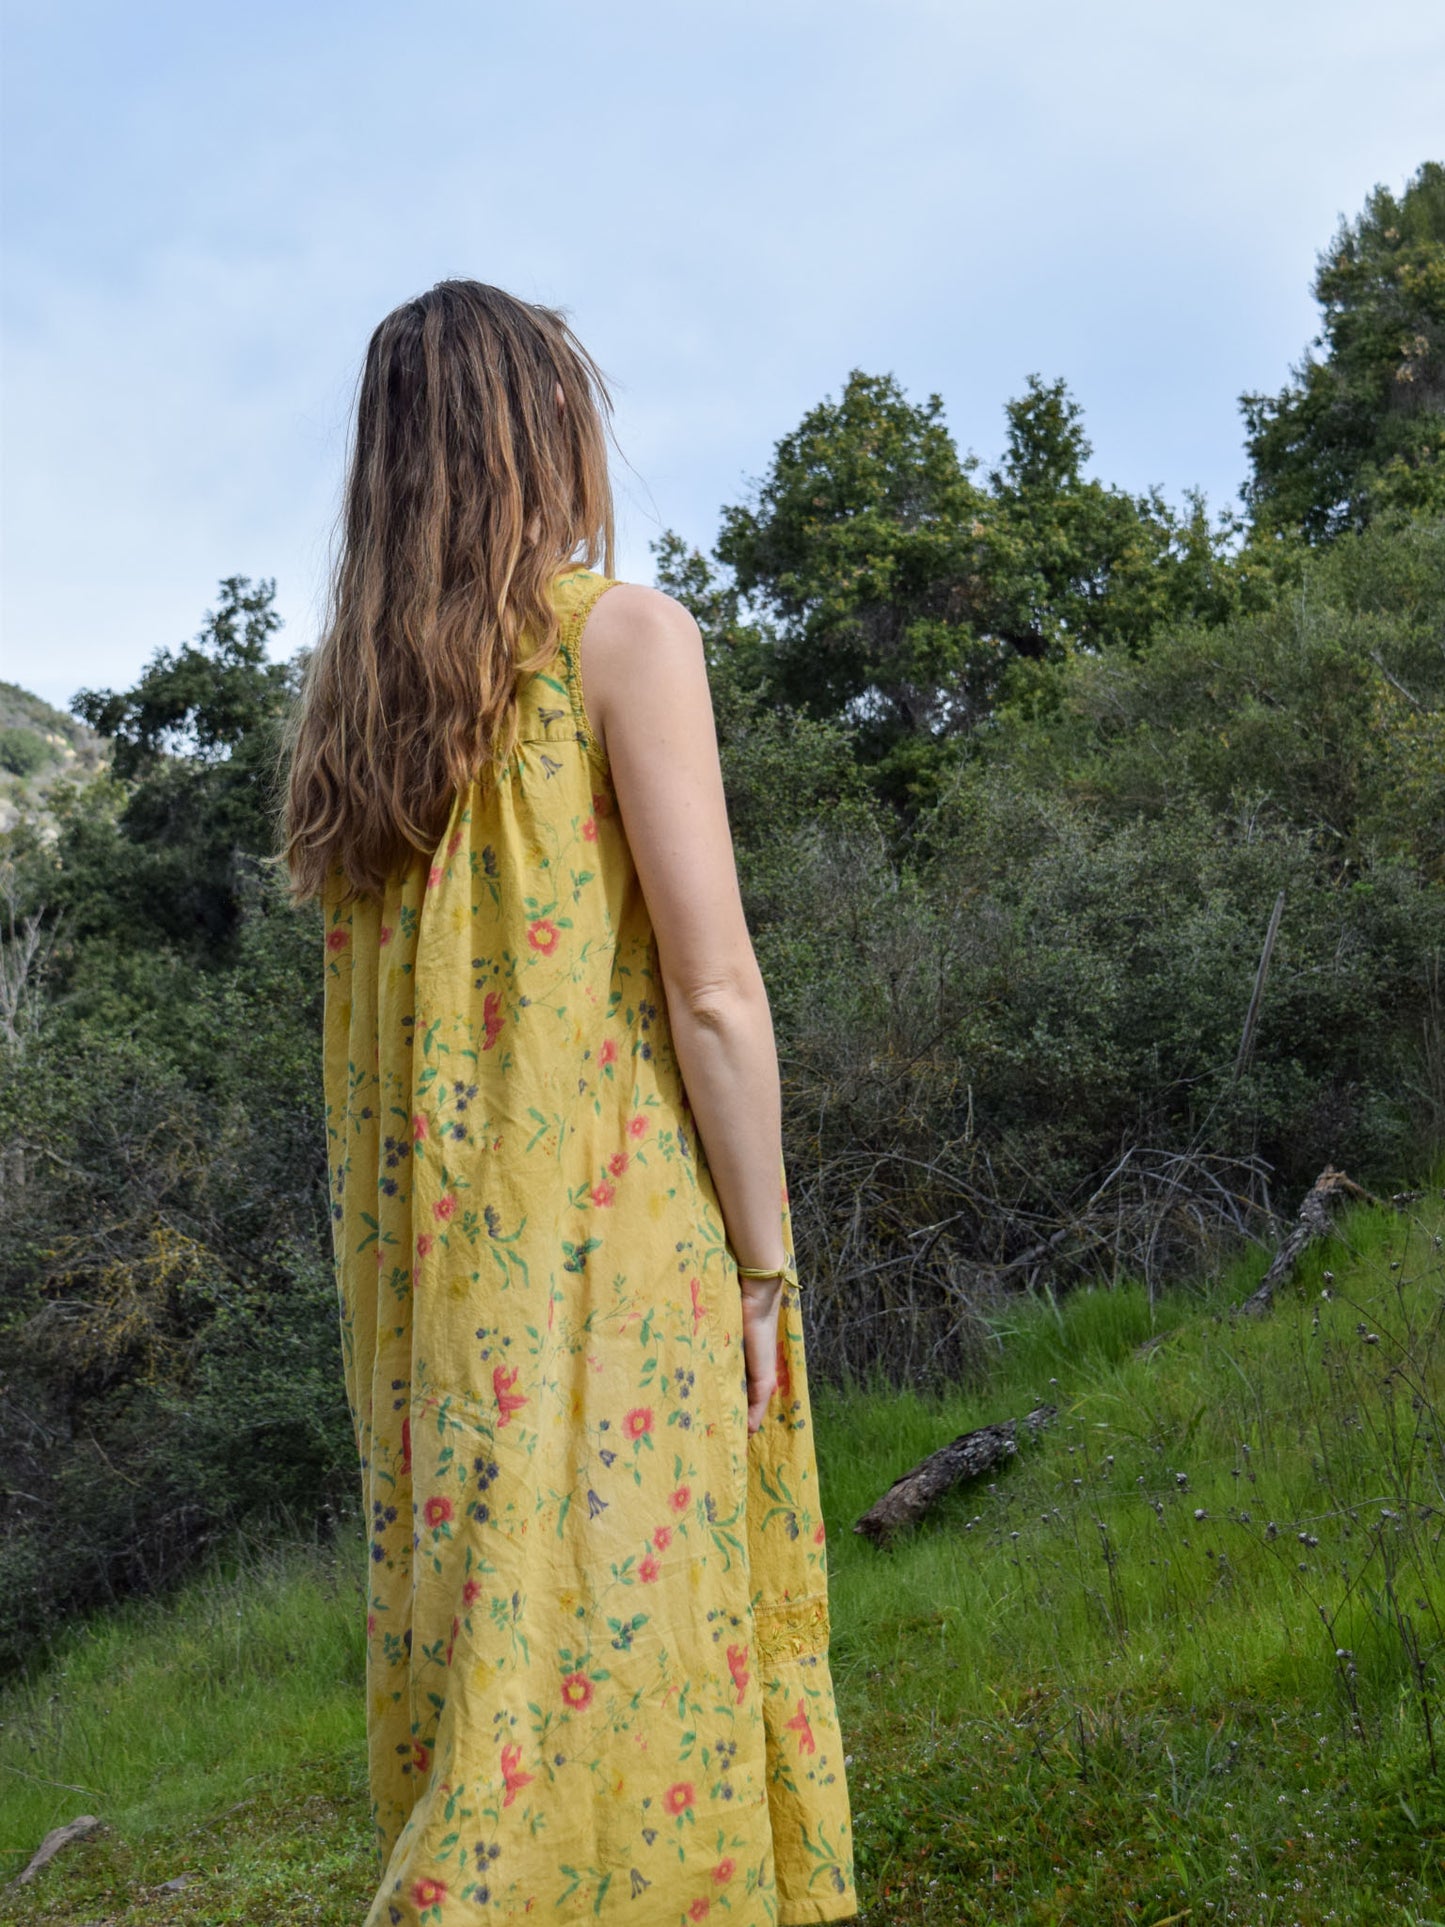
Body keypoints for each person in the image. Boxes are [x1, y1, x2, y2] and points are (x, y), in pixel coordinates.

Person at [283, 280, 857, 1926]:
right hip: (618, 1264)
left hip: (430, 1314)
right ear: (546, 428)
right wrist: (762, 1264)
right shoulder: (621, 637)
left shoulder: (359, 718)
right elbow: (714, 992)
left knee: (510, 1680)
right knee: (637, 1648)